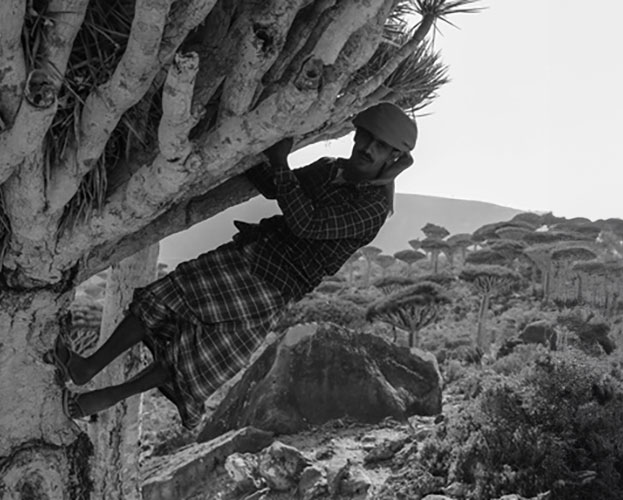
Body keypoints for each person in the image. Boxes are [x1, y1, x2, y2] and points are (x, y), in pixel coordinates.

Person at [44, 102, 417, 429]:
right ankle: (87, 367)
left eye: (381, 146)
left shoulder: (372, 208)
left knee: (195, 355)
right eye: (367, 137)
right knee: (164, 296)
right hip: (250, 252)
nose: (368, 148)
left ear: (393, 157)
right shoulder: (329, 168)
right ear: (356, 134)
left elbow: (307, 223)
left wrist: (280, 162)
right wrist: (240, 145)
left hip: (275, 283)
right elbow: (276, 187)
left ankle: (107, 396)